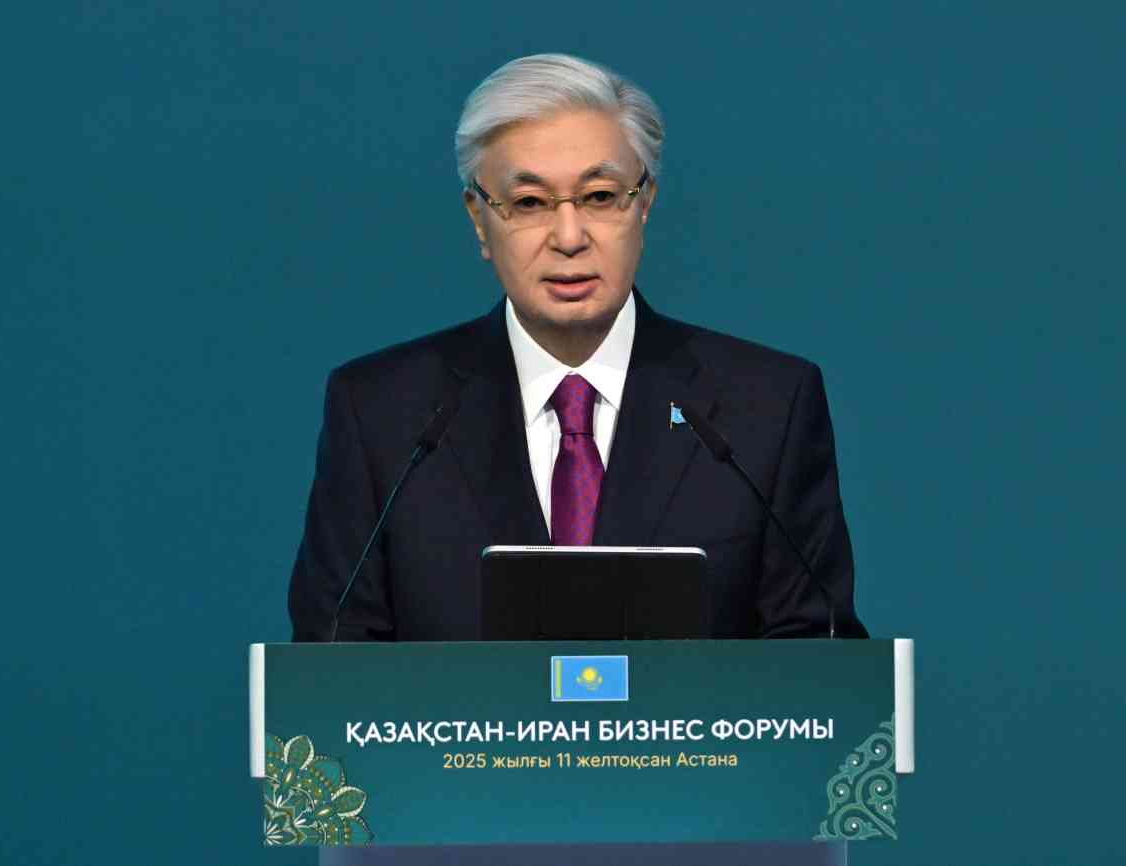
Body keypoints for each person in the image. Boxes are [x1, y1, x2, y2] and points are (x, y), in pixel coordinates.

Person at [288, 53, 867, 643]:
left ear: (644, 203)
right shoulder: (384, 414)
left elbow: (816, 653)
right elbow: (333, 658)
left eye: (599, 196)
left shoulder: (766, 408)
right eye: (530, 203)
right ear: (479, 220)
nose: (569, 238)